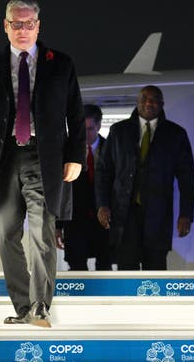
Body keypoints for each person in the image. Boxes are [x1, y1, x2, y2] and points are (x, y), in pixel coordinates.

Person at [0, 0, 85, 328]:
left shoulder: (61, 64)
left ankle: (41, 306)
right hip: (2, 161)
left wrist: (75, 157)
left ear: (38, 26)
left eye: (30, 24)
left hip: (44, 159)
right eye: (17, 24)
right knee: (6, 235)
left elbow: (76, 112)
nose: (24, 30)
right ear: (6, 26)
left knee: (42, 234)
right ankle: (24, 307)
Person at [96, 85, 194, 270]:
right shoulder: (119, 131)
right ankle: (128, 301)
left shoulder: (175, 134)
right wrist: (102, 204)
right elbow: (103, 171)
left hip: (159, 212)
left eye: (154, 99)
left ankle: (155, 301)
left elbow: (187, 177)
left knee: (156, 270)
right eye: (145, 98)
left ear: (162, 104)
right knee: (127, 270)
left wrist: (186, 214)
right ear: (137, 102)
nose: (149, 102)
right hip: (124, 212)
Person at [55, 104, 111, 270]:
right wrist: (57, 226)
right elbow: (60, 191)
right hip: (75, 221)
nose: (85, 134)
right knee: (77, 270)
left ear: (99, 126)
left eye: (90, 129)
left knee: (105, 268)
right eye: (81, 129)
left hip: (104, 223)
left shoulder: (111, 149)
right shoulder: (66, 152)